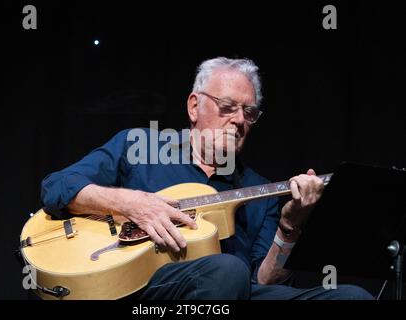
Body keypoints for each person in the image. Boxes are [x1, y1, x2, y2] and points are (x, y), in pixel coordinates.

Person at [41, 57, 373, 300]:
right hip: (140, 292)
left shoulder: (259, 190)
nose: (239, 120)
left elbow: (265, 284)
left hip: (230, 294)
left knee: (352, 298)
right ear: (194, 106)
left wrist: (290, 227)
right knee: (227, 269)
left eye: (250, 112)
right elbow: (56, 187)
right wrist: (131, 203)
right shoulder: (137, 145)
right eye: (228, 106)